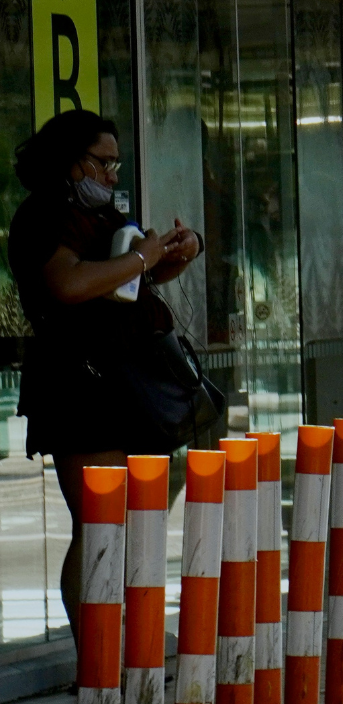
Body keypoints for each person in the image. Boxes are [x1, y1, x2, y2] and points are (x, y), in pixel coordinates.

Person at [6, 109, 204, 650]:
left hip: (123, 382)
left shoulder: (98, 214)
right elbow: (68, 284)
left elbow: (127, 280)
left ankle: (126, 643)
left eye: (117, 164)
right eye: (103, 162)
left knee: (129, 522)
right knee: (100, 524)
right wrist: (141, 256)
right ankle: (97, 655)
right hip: (80, 386)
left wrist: (174, 253)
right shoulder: (44, 215)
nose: (112, 175)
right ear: (70, 161)